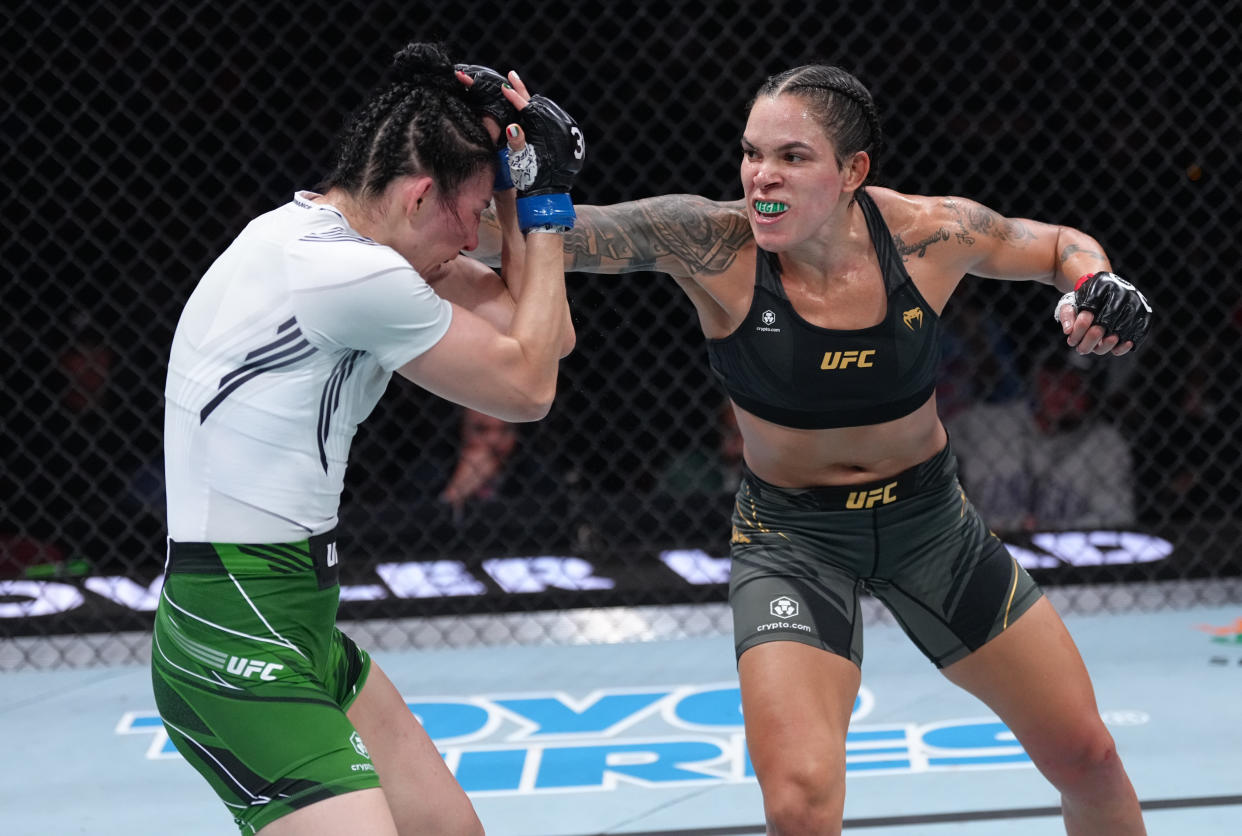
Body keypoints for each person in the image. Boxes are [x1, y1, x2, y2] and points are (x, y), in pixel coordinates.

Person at [478, 63, 1151, 834]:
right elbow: (539, 234)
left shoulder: (929, 234)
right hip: (793, 541)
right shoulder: (712, 243)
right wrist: (519, 170)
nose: (762, 175)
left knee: (1088, 757)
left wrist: (1098, 282)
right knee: (799, 803)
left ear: (852, 171)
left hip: (931, 527)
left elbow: (1059, 243)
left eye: (792, 157)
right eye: (751, 152)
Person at [153, 43, 582, 836]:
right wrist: (545, 195)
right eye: (477, 209)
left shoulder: (334, 243)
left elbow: (543, 335)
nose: (477, 232)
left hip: (296, 619)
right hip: (234, 628)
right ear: (422, 196)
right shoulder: (345, 276)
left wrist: (524, 190)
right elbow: (527, 391)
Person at [950, 347, 1136, 532]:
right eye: (1052, 381)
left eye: (1073, 388)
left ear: (1094, 396)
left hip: (1064, 556)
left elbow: (1117, 518)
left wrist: (1050, 531)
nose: (1060, 394)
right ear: (1038, 379)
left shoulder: (1106, 445)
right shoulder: (984, 422)